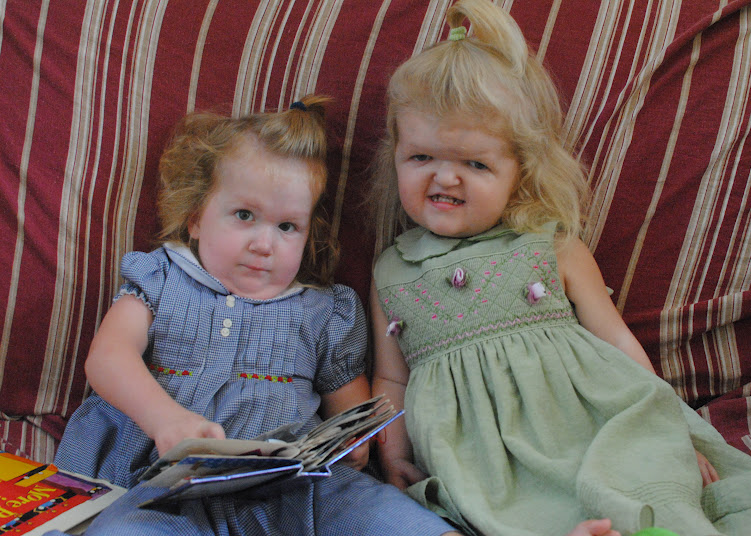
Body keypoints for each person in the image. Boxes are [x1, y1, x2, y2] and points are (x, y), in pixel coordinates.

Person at [368, 1, 751, 535]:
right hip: (481, 462)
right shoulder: (391, 272)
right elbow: (391, 376)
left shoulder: (551, 246)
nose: (445, 179)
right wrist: (392, 454)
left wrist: (673, 431)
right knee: (514, 516)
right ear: (396, 155)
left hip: (588, 426)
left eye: (475, 164)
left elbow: (616, 340)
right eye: (421, 157)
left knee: (640, 484)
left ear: (520, 171)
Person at [49, 95, 459, 536]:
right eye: (244, 215)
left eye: (287, 227)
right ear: (195, 218)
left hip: (299, 490)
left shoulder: (323, 310)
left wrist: (356, 440)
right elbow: (108, 357)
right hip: (166, 491)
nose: (264, 244)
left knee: (386, 515)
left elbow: (348, 398)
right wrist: (165, 418)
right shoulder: (162, 278)